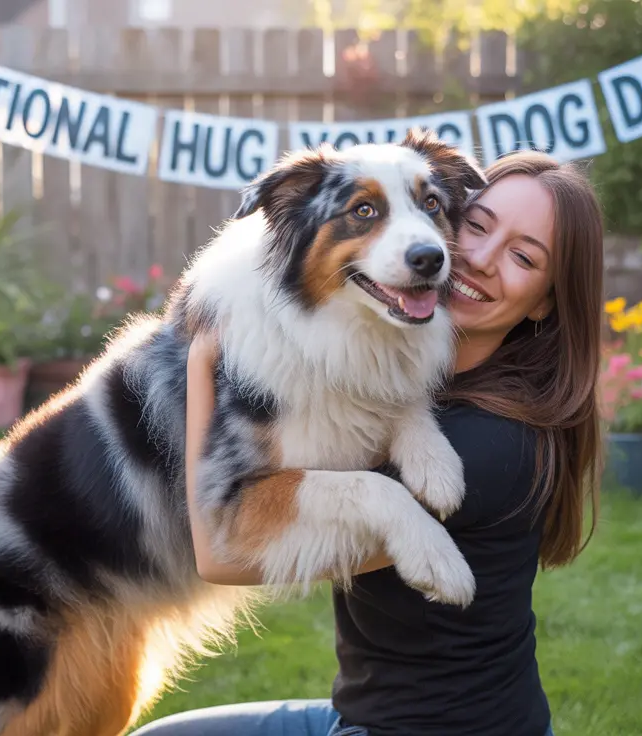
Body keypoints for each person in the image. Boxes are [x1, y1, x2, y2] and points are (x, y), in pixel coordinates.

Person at [134, 150, 605, 736]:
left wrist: (203, 360)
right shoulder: (407, 378)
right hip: (361, 711)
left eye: (523, 257)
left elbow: (226, 552)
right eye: (476, 225)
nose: (475, 258)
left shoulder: (489, 446)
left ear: (545, 302)